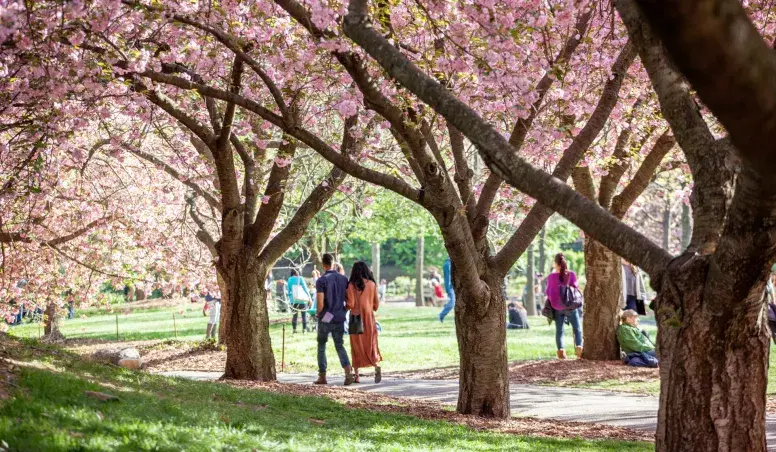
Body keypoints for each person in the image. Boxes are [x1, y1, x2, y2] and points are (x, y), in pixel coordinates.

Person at [314, 253, 354, 385]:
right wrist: (343, 311)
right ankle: (348, 370)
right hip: (339, 316)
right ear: (333, 263)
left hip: (326, 316)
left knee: (321, 346)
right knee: (339, 345)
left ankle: (322, 376)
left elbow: (320, 304)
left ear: (323, 265)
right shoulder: (343, 279)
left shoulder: (321, 281)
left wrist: (319, 314)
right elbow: (349, 300)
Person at [345, 261, 383, 384]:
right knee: (370, 343)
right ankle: (376, 366)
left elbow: (350, 304)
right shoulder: (372, 284)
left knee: (356, 345)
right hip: (369, 319)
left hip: (356, 319)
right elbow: (376, 305)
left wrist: (344, 307)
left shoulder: (351, 285)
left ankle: (356, 375)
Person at [545, 253, 583, 359]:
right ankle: (579, 347)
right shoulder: (571, 274)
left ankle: (561, 350)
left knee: (559, 330)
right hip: (570, 306)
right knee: (577, 328)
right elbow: (575, 288)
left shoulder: (551, 277)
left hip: (557, 308)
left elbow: (548, 292)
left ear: (555, 263)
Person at [287, 269, 311, 333]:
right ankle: (304, 330)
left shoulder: (289, 279)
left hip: (293, 300)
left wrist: (291, 299)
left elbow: (289, 291)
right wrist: (309, 298)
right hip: (302, 300)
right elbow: (305, 289)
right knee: (304, 316)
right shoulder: (300, 278)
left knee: (294, 316)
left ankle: (294, 330)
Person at [438, 258, 456, 322]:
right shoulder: (447, 264)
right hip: (450, 287)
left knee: (453, 302)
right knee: (452, 303)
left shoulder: (450, 263)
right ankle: (441, 315)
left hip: (452, 286)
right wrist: (448, 288)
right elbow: (448, 278)